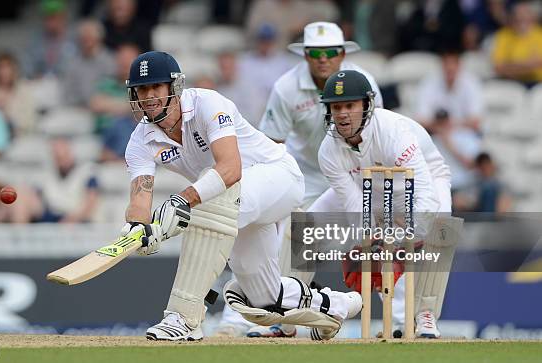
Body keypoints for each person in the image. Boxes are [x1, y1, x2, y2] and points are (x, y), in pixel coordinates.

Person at [121, 51, 362, 341]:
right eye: (142, 89)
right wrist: (137, 229)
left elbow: (230, 168)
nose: (148, 96)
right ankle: (335, 306)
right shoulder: (140, 140)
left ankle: (183, 316)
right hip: (236, 207)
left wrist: (182, 201)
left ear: (174, 86)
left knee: (208, 202)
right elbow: (140, 197)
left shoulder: (207, 104)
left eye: (155, 87)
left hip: (277, 177)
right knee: (264, 298)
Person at [217, 21, 384, 337]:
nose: (323, 59)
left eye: (330, 52)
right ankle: (283, 319)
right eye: (315, 53)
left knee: (385, 236)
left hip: (355, 174)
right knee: (294, 239)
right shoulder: (286, 87)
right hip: (305, 176)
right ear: (305, 55)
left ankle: (404, 321)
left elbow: (375, 137)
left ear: (342, 54)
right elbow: (270, 146)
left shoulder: (365, 83)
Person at [315, 70, 452, 339]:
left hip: (420, 183)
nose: (343, 114)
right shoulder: (327, 151)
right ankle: (286, 313)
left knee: (441, 226)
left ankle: (425, 314)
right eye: (337, 106)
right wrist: (370, 242)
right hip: (368, 187)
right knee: (302, 224)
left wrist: (403, 243)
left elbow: (424, 193)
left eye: (350, 106)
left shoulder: (392, 132)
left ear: (367, 105)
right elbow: (355, 206)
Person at [416, 48, 484, 134]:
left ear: (459, 65)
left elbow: (476, 121)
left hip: (466, 134)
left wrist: (451, 125)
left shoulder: (471, 83)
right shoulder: (429, 82)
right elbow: (421, 119)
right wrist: (441, 127)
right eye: (446, 64)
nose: (450, 68)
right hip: (436, 133)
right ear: (441, 65)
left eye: (453, 64)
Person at [62, 19, 115, 106]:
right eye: (84, 38)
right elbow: (67, 89)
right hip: (76, 107)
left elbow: (111, 89)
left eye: (90, 37)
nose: (87, 41)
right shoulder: (73, 61)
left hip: (102, 109)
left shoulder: (109, 61)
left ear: (99, 39)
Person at [491, 0, 542, 86]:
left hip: (537, 84)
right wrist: (529, 65)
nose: (521, 18)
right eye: (517, 16)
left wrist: (511, 66)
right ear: (512, 18)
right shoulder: (503, 35)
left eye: (524, 15)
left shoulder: (539, 34)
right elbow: (498, 68)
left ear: (531, 17)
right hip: (510, 84)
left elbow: (539, 63)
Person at [0, 51, 37, 136]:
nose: (5, 72)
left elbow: (30, 121)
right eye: (1, 68)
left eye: (8, 67)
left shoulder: (25, 90)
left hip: (20, 137)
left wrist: (8, 116)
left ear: (14, 69)